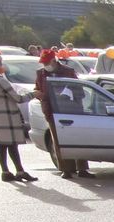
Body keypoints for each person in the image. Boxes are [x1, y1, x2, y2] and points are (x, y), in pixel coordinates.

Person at [34, 49, 91, 179]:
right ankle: (66, 169)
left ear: (54, 61)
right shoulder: (40, 73)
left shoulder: (68, 71)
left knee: (77, 139)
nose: (45, 66)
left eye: (47, 62)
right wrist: (39, 94)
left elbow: (80, 91)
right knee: (58, 141)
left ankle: (82, 168)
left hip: (71, 110)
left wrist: (68, 92)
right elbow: (37, 88)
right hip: (52, 112)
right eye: (43, 63)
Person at [0, 54, 38, 182]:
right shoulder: (1, 81)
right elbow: (17, 98)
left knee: (2, 145)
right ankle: (20, 171)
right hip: (7, 117)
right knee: (12, 145)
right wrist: (33, 94)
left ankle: (5, 171)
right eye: (1, 63)